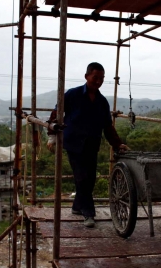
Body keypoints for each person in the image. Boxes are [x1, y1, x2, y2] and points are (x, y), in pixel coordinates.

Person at [47, 62, 129, 228]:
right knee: (82, 177)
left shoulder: (102, 102)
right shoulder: (72, 94)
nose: (98, 81)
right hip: (74, 144)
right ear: (87, 76)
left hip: (92, 145)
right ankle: (88, 213)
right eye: (95, 77)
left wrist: (118, 144)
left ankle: (77, 206)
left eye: (101, 78)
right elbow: (57, 112)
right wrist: (52, 136)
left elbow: (107, 127)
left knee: (89, 179)